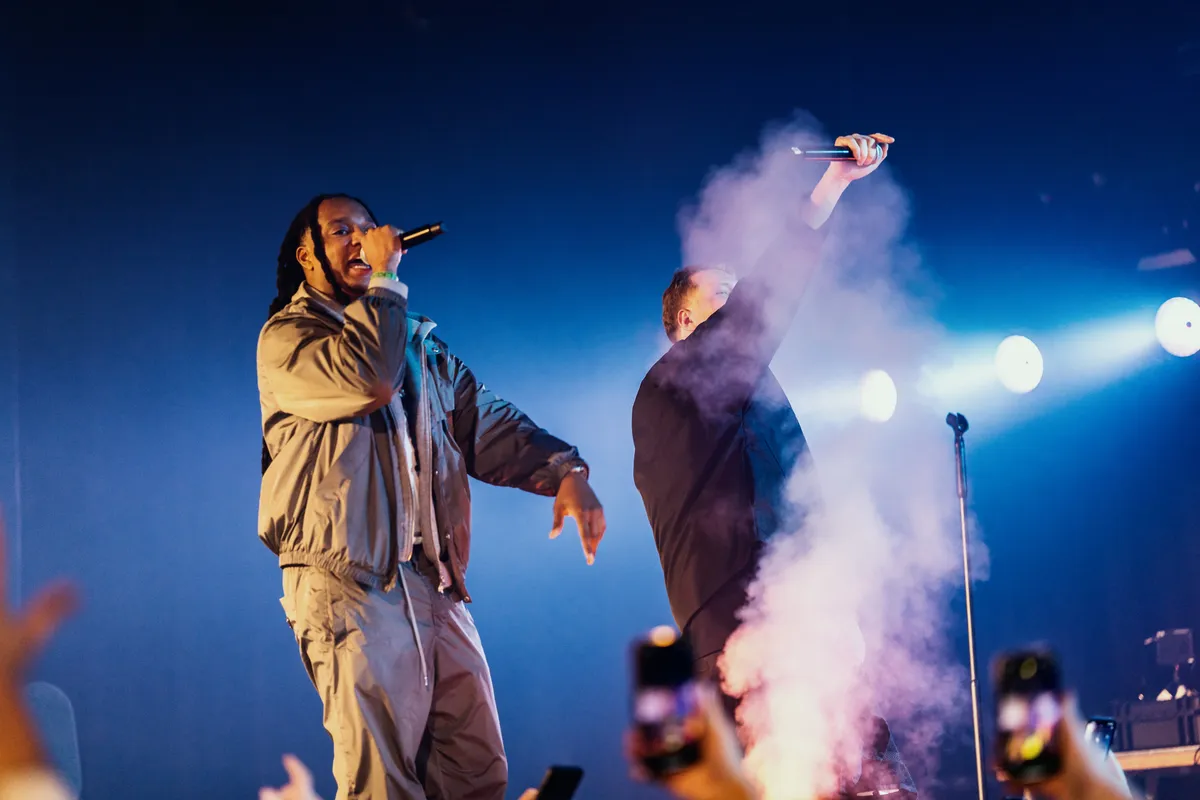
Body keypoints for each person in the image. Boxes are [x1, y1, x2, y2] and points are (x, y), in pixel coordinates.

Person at [257, 194, 607, 800]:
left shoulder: (417, 346)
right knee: (383, 783)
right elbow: (367, 378)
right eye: (340, 231)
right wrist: (386, 281)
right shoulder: (290, 338)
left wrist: (566, 471)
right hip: (349, 582)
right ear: (306, 256)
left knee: (475, 772)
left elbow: (488, 424)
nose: (361, 238)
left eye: (368, 228)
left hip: (434, 583)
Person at [630, 133, 917, 795]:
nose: (740, 306)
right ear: (685, 321)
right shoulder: (673, 384)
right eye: (723, 297)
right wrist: (830, 188)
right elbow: (767, 300)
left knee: (876, 784)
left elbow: (794, 510)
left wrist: (834, 608)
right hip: (745, 637)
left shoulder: (747, 401)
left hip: (791, 629)